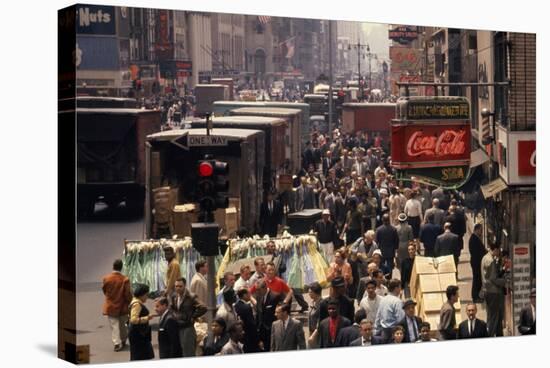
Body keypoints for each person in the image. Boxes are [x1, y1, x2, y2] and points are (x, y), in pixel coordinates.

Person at [170, 277, 207, 357]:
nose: (178, 288)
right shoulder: (174, 296)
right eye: (176, 286)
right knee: (180, 352)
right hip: (178, 326)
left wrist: (193, 316)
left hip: (188, 328)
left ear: (184, 286)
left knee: (188, 353)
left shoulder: (191, 296)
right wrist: (175, 316)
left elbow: (203, 307)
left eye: (180, 286)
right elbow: (172, 308)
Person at [102, 259, 132, 352]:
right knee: (122, 324)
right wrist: (130, 302)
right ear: (121, 268)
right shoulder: (125, 279)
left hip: (110, 306)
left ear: (113, 267)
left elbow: (104, 290)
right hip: (122, 306)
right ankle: (123, 340)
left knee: (114, 325)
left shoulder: (106, 278)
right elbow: (127, 294)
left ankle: (116, 343)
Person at [481, 244, 506, 337]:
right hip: (493, 292)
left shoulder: (485, 257)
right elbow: (493, 278)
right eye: (498, 250)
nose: (499, 252)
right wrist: (504, 281)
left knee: (496, 316)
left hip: (487, 290)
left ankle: (499, 334)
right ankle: (490, 336)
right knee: (494, 317)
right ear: (494, 249)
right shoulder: (491, 261)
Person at [128, 284, 155, 360]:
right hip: (138, 334)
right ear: (142, 295)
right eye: (146, 295)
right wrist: (147, 318)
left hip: (138, 333)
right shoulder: (137, 304)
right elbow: (133, 319)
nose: (147, 297)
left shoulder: (135, 301)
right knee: (140, 355)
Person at [254, 280, 282, 351]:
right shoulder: (258, 297)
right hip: (262, 332)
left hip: (272, 330)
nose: (257, 292)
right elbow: (258, 314)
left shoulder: (275, 296)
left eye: (258, 290)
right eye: (256, 290)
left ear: (265, 287)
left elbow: (279, 315)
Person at [234, 288, 260, 352]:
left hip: (241, 336)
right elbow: (252, 324)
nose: (250, 296)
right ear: (244, 295)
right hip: (249, 336)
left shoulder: (236, 306)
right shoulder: (247, 307)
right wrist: (257, 339)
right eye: (249, 294)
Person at [469, 224, 487, 303]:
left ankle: (477, 296)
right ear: (476, 229)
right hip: (476, 263)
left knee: (478, 279)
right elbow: (477, 252)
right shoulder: (474, 239)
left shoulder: (476, 238)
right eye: (480, 230)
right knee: (476, 279)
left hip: (477, 262)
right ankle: (475, 296)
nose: (481, 232)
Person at [306, 282, 323, 348]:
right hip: (311, 333)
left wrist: (313, 335)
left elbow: (320, 321)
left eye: (310, 292)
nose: (309, 294)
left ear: (316, 293)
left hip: (317, 335)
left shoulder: (321, 304)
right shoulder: (312, 303)